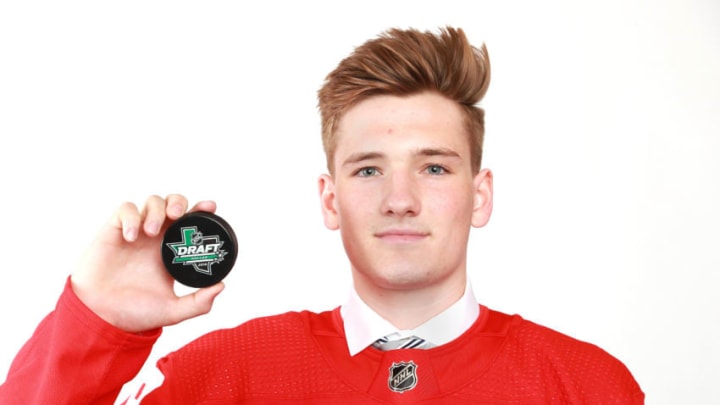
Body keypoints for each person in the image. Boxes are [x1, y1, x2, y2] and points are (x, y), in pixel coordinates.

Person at [0, 26, 644, 404]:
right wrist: (97, 323)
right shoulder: (223, 377)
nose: (400, 198)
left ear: (481, 195)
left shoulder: (587, 386)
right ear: (330, 199)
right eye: (368, 169)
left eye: (435, 166)